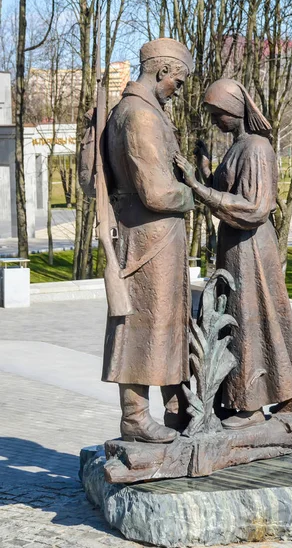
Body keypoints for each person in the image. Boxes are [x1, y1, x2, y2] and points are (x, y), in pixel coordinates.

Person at [175, 78, 292, 430]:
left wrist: (195, 186)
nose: (215, 120)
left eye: (218, 113)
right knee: (251, 320)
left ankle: (250, 408)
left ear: (235, 110)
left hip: (251, 247)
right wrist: (203, 169)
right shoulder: (238, 147)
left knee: (249, 321)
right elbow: (221, 190)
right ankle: (287, 393)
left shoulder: (256, 147)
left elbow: (254, 207)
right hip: (236, 246)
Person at [102, 38, 195, 443]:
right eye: (178, 80)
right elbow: (158, 192)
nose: (178, 88)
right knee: (145, 324)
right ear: (162, 72)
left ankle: (176, 407)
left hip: (156, 235)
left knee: (167, 321)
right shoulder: (139, 115)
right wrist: (195, 192)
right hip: (149, 236)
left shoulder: (143, 110)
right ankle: (136, 417)